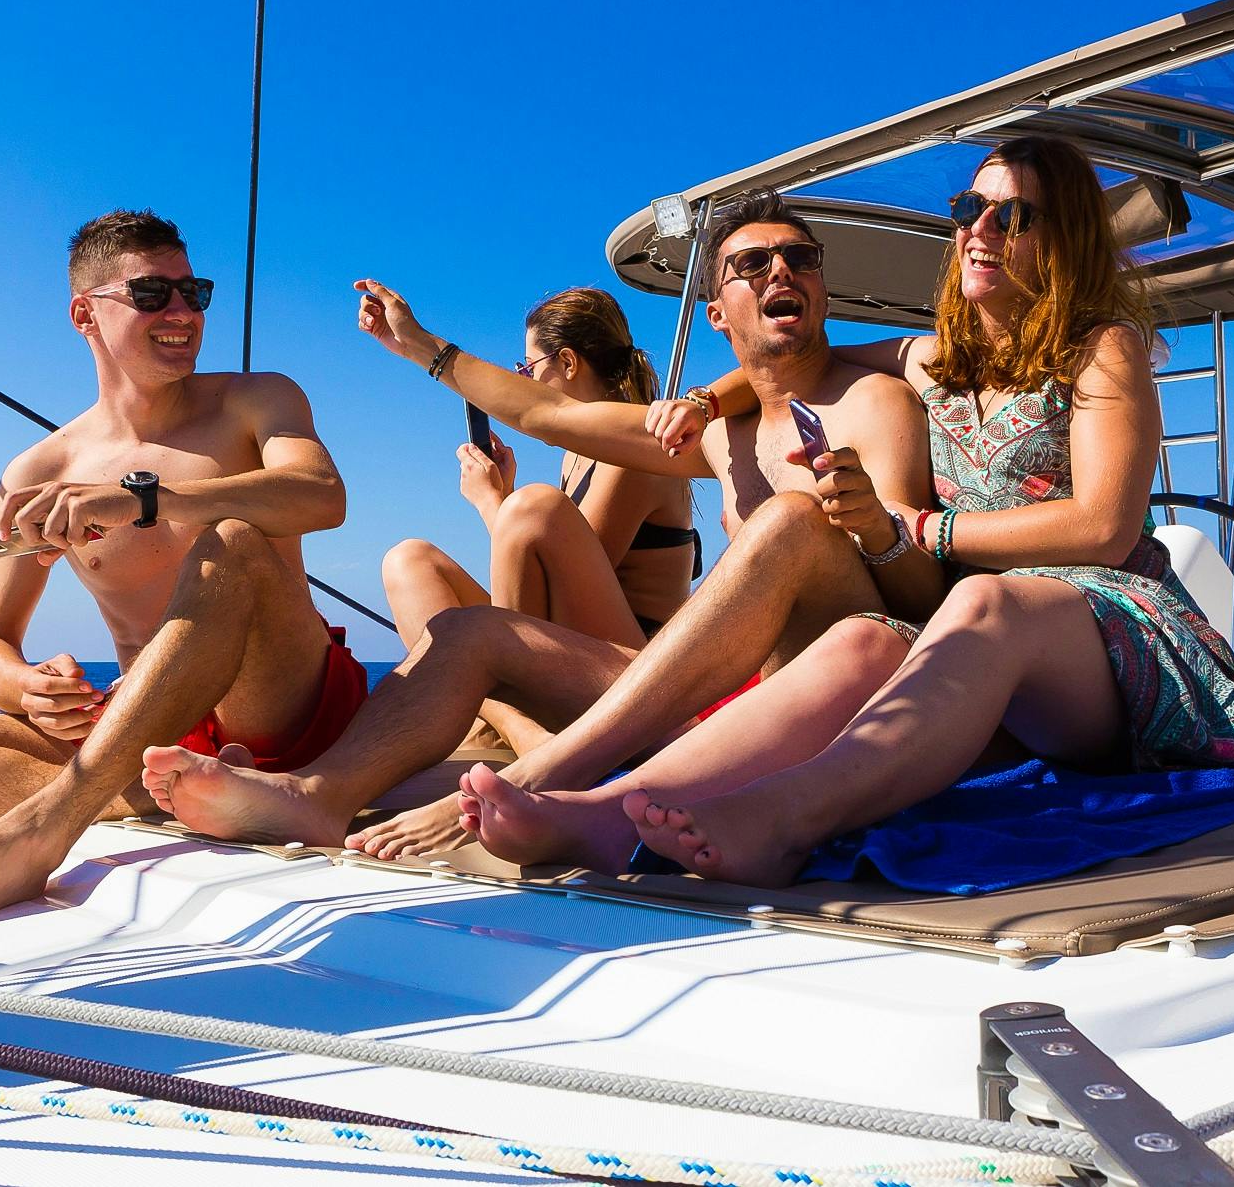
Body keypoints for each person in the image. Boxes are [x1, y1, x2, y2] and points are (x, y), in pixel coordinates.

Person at [455, 137, 1234, 885]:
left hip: (1109, 633)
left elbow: (1103, 526)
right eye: (967, 209)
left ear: (1063, 241)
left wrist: (922, 528)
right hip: (982, 645)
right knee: (859, 642)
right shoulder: (935, 359)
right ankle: (604, 812)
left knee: (987, 599)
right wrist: (706, 396)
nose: (977, 229)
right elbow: (805, 358)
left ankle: (785, 816)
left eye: (1009, 214)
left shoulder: (1102, 347)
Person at [140, 190, 942, 856]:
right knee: (466, 633)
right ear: (718, 308)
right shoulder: (720, 432)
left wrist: (875, 527)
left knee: (792, 520)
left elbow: (923, 601)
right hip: (723, 697)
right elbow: (547, 413)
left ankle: (537, 772)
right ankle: (318, 795)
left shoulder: (873, 402)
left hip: (845, 692)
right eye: (754, 263)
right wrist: (421, 346)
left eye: (802, 258)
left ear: (823, 290)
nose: (783, 270)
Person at [0, 209, 362, 935]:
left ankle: (47, 827)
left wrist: (146, 497)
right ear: (85, 312)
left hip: (284, 701)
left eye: (194, 292)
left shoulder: (257, 398)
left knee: (234, 541)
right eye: (152, 294)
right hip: (148, 735)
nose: (182, 312)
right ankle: (179, 792)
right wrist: (27, 686)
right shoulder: (42, 471)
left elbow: (322, 496)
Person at [379, 287, 696, 749]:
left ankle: (505, 723)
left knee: (535, 506)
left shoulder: (629, 450)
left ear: (567, 363)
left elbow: (562, 577)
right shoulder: (579, 456)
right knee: (410, 561)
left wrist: (496, 503)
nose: (523, 380)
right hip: (578, 653)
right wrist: (503, 502)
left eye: (527, 369)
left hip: (637, 678)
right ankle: (512, 724)